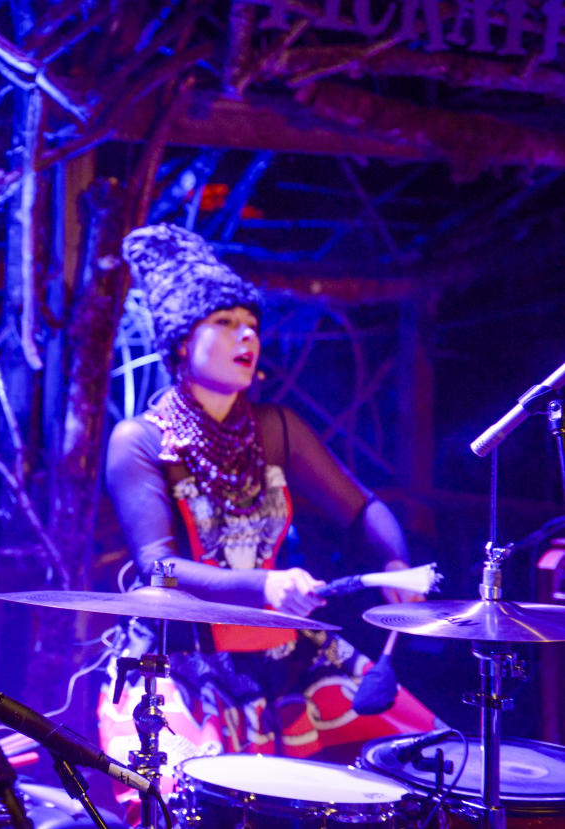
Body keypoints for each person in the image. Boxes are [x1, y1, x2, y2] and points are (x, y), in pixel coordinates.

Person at [96, 224, 439, 814]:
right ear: (181, 342)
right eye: (224, 322)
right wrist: (266, 584)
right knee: (184, 806)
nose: (246, 333)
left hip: (286, 655)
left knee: (417, 773)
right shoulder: (139, 441)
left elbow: (364, 508)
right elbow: (157, 566)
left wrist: (393, 563)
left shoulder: (276, 429)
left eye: (250, 324)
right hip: (182, 663)